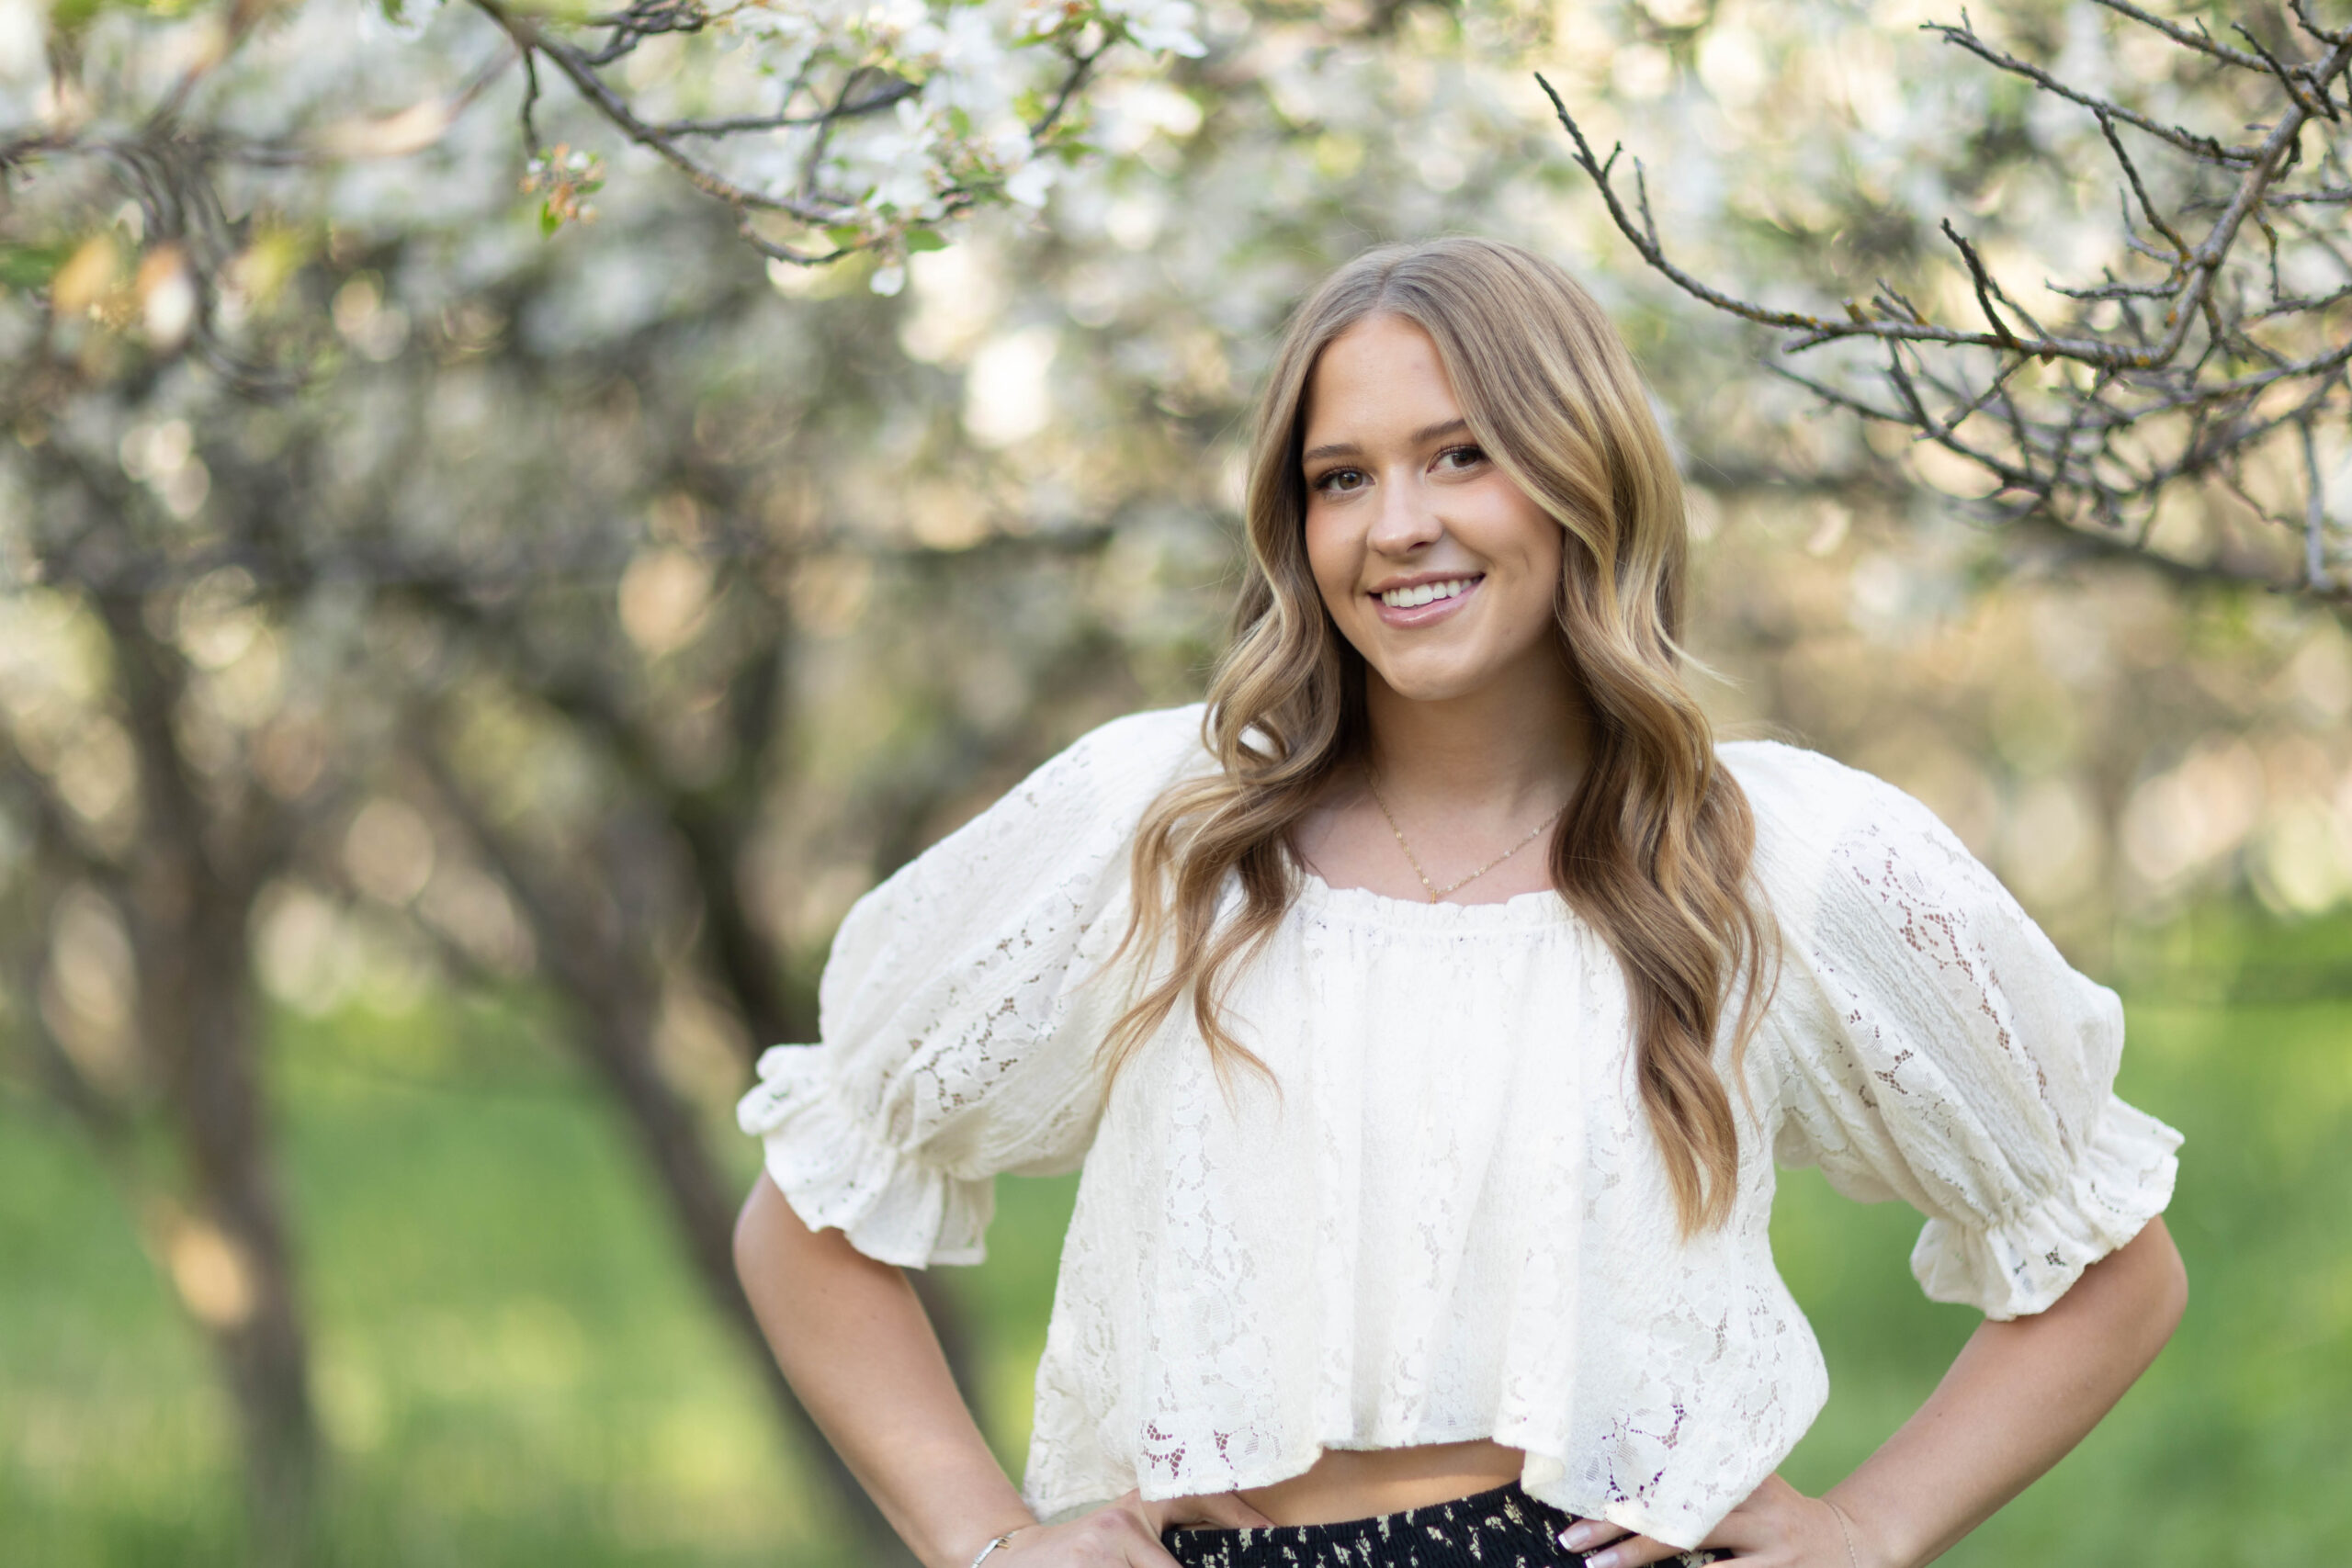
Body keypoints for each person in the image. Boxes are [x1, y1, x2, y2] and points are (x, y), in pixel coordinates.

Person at [729, 237, 2187, 1568]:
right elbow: (814, 1209)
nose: (1397, 525)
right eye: (1341, 477)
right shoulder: (1163, 833)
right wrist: (984, 1542)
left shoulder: (1772, 863)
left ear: (1578, 475)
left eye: (1459, 457)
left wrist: (1871, 1527)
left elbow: (2110, 1267)